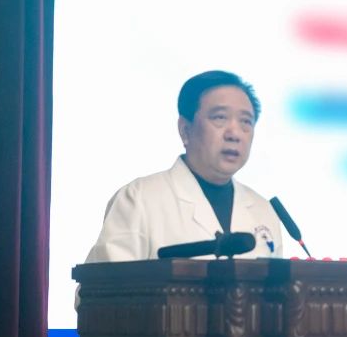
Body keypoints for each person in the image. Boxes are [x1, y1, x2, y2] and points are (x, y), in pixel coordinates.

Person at [85, 70, 283, 262]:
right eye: (220, 117)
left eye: (245, 121)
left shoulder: (264, 211)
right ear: (185, 130)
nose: (235, 134)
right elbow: (104, 282)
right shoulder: (139, 199)